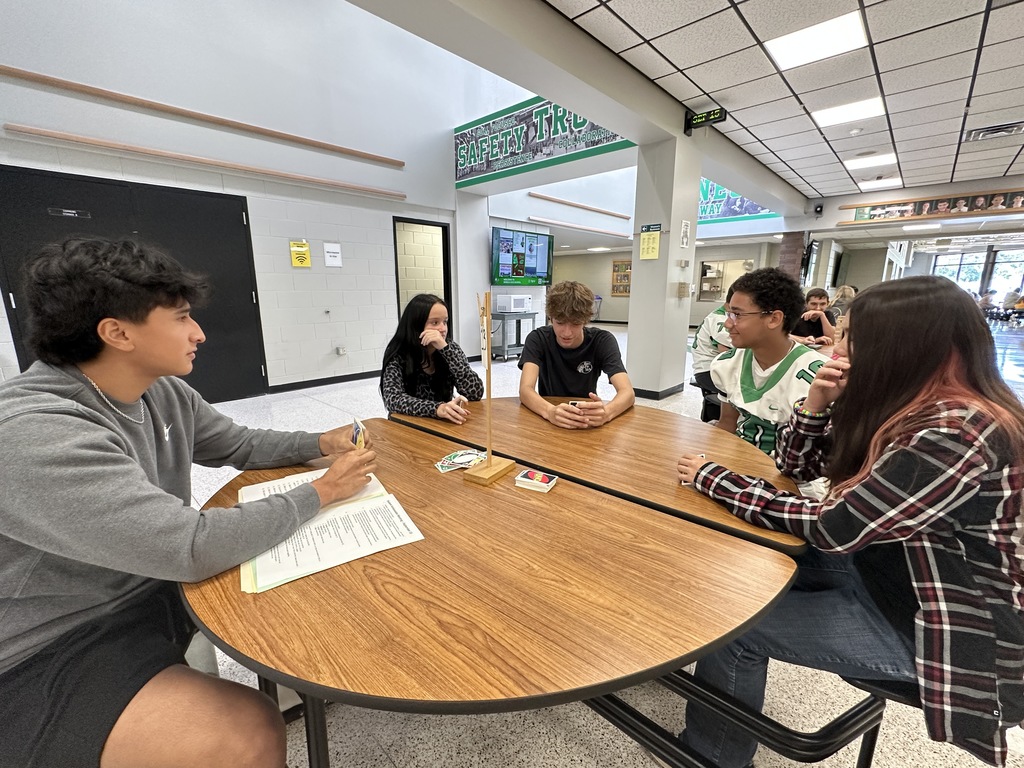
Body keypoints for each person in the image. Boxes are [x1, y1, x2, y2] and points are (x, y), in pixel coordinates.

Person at [0, 237, 378, 768]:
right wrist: (323, 489)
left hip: (145, 591)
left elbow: (240, 443)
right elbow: (191, 544)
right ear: (117, 332)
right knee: (243, 733)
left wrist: (319, 445)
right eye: (180, 318)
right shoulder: (31, 432)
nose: (199, 332)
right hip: (54, 642)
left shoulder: (160, 390)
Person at [677, 275, 1024, 768]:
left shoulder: (958, 429)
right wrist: (815, 405)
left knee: (735, 628)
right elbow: (796, 468)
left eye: (848, 337)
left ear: (899, 346)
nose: (830, 345)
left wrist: (717, 480)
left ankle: (714, 756)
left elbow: (834, 525)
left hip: (941, 619)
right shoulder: (904, 402)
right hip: (887, 568)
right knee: (737, 564)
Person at [710, 268, 828, 457]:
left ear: (774, 319)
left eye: (737, 315)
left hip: (790, 479)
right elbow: (727, 424)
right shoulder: (726, 364)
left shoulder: (817, 377)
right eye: (729, 314)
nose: (727, 324)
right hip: (737, 467)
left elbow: (815, 458)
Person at [518, 280, 634, 429]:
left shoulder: (602, 341)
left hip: (586, 420)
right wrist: (549, 411)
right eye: (560, 323)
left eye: (575, 323)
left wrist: (607, 413)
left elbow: (627, 392)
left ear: (585, 320)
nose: (567, 332)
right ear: (550, 318)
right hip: (549, 419)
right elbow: (525, 389)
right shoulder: (538, 339)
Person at [379, 293, 483, 424]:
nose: (443, 329)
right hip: (408, 425)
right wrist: (436, 408)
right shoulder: (399, 353)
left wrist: (447, 351)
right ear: (416, 325)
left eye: (445, 322)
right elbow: (393, 400)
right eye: (435, 323)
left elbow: (475, 393)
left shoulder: (450, 348)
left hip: (442, 423)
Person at [690, 289, 734, 422]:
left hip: (713, 370)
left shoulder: (723, 316)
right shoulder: (719, 320)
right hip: (708, 371)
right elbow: (727, 356)